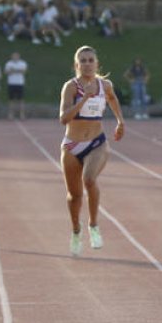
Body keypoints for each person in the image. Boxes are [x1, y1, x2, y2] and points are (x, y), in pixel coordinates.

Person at [59, 46, 126, 257]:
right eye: (83, 61)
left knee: (89, 179)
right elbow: (63, 118)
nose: (87, 64)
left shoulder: (105, 85)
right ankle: (76, 231)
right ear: (76, 65)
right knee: (74, 195)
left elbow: (113, 99)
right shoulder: (70, 87)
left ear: (97, 64)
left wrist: (120, 121)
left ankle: (94, 225)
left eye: (91, 60)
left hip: (97, 142)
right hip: (71, 145)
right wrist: (84, 100)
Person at [4, 51, 28, 120]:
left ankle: (22, 115)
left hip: (20, 83)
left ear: (19, 57)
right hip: (11, 83)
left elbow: (24, 71)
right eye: (14, 56)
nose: (15, 57)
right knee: (11, 100)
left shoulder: (22, 63)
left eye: (16, 56)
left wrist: (13, 70)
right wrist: (17, 71)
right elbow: (6, 72)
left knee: (21, 100)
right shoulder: (8, 63)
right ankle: (11, 114)